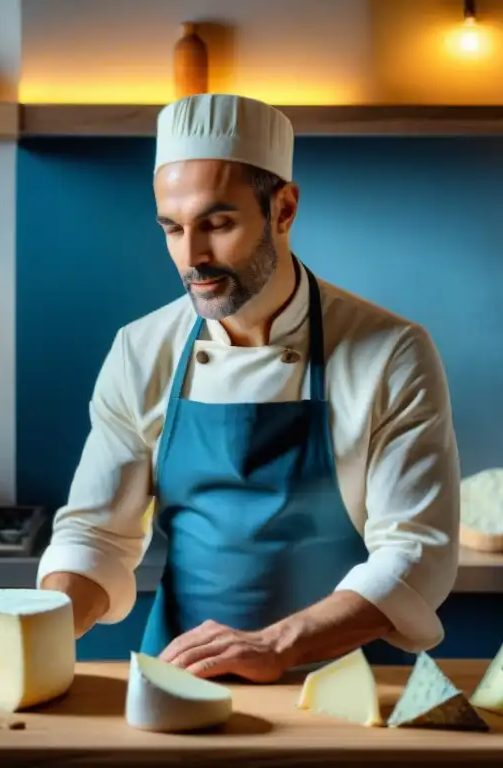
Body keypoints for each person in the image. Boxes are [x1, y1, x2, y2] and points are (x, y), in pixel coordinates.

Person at [38, 93, 460, 683]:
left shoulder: (390, 351)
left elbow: (417, 553)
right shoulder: (142, 349)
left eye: (218, 223)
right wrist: (38, 630)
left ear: (283, 209)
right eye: (173, 229)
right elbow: (96, 534)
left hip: (343, 685)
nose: (193, 257)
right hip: (180, 676)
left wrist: (276, 644)